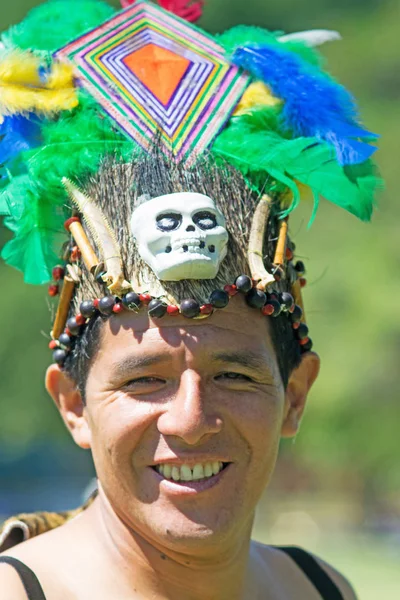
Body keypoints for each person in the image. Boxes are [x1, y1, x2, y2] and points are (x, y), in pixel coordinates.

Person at [0, 0, 381, 598]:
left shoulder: (321, 588)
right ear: (73, 404)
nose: (191, 420)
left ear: (296, 396)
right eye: (144, 380)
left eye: (233, 374)